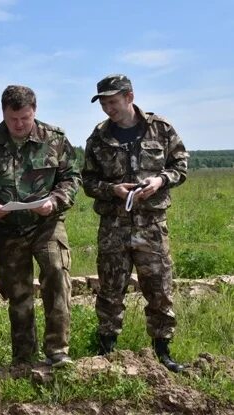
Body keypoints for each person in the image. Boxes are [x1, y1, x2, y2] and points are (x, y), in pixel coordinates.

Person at [82, 74, 188, 373]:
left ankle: (162, 352)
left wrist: (160, 180)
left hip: (151, 226)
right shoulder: (99, 137)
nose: (107, 108)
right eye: (103, 103)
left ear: (130, 97)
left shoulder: (161, 129)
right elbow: (88, 180)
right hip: (114, 226)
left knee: (159, 289)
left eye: (112, 102)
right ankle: (106, 351)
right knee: (110, 290)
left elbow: (180, 165)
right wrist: (111, 190)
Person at [0, 85, 80, 368]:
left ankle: (57, 351)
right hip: (8, 227)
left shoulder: (54, 139)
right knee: (17, 293)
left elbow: (71, 178)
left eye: (25, 118)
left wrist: (54, 201)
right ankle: (23, 357)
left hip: (47, 222)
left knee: (56, 275)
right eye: (12, 119)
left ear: (35, 111)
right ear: (3, 114)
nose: (19, 125)